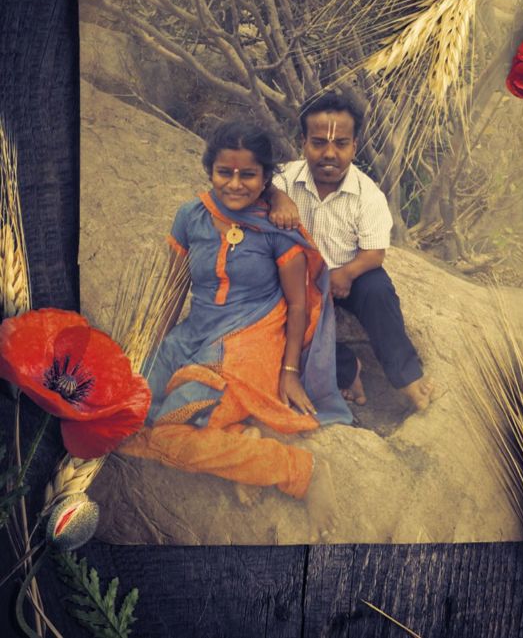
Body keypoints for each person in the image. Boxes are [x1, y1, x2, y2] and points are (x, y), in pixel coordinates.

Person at [120, 122, 352, 542]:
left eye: (248, 174)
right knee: (125, 424)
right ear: (210, 169)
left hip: (248, 345)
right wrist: (153, 350)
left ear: (265, 178)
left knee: (170, 433)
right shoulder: (190, 216)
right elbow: (174, 291)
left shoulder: (277, 226)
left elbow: (298, 304)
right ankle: (239, 444)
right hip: (192, 337)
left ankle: (303, 471)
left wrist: (289, 372)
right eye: (224, 172)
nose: (235, 183)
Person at [268, 91, 433, 410]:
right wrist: (278, 197)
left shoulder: (367, 195)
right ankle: (346, 368)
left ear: (354, 146)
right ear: (303, 142)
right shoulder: (285, 180)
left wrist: (347, 273)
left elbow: (374, 253)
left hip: (345, 277)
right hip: (295, 277)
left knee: (378, 290)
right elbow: (262, 186)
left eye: (341, 144)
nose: (329, 153)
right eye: (318, 143)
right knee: (269, 308)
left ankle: (407, 377)